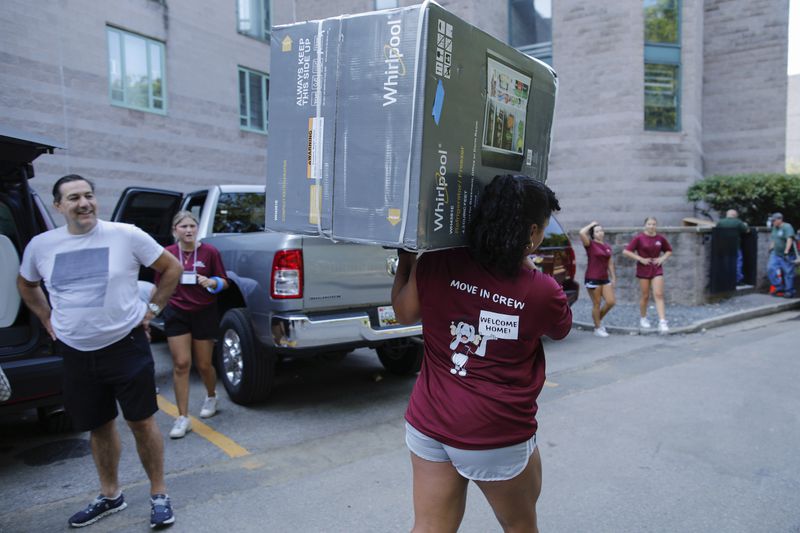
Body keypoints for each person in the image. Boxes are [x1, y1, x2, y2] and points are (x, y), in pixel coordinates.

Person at [391, 174, 572, 533]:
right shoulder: (541, 291)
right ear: (532, 232)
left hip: (430, 423)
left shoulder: (439, 262)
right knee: (520, 525)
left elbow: (404, 312)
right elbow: (561, 328)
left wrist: (407, 261)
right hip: (494, 433)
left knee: (429, 527)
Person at [16, 174, 182, 529]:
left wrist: (151, 311)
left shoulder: (126, 235)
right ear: (59, 206)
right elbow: (26, 283)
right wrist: (46, 317)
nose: (84, 203)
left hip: (126, 345)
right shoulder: (41, 246)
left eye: (89, 195)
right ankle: (110, 496)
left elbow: (171, 268)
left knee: (141, 421)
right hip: (76, 352)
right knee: (98, 426)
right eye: (73, 198)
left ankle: (159, 494)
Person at [156, 211, 228, 439]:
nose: (188, 230)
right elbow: (159, 285)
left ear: (197, 229)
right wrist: (151, 310)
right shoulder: (167, 254)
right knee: (181, 364)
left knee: (204, 364)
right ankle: (182, 417)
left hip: (204, 312)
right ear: (174, 230)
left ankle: (211, 395)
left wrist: (212, 282)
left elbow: (225, 282)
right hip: (176, 311)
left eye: (192, 226)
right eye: (183, 226)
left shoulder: (209, 252)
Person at [622, 217, 673, 334]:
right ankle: (643, 318)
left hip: (657, 268)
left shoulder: (660, 238)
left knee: (659, 294)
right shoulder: (639, 238)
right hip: (643, 269)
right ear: (645, 225)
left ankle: (662, 321)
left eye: (654, 224)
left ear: (656, 225)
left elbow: (669, 250)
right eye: (649, 224)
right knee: (645, 296)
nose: (651, 226)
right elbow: (626, 251)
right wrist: (640, 259)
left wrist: (662, 258)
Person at [578, 221, 616, 337]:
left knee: (611, 302)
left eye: (601, 230)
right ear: (593, 234)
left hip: (604, 279)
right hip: (592, 278)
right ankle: (598, 327)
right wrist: (591, 224)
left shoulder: (607, 247)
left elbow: (610, 264)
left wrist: (613, 277)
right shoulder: (590, 244)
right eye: (597, 231)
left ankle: (597, 319)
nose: (600, 233)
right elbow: (581, 233)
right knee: (597, 303)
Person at [716, 209, 749, 284]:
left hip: (723, 247)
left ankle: (725, 280)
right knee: (737, 263)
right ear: (735, 215)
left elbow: (716, 231)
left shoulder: (720, 222)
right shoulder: (738, 222)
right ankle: (738, 280)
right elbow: (747, 231)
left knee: (724, 263)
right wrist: (745, 225)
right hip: (735, 246)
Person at [767, 212, 796, 298]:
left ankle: (789, 291)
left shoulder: (787, 227)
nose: (773, 222)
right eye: (772, 221)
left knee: (788, 272)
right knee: (770, 268)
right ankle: (779, 287)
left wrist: (786, 251)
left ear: (780, 219)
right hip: (775, 253)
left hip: (787, 254)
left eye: (774, 220)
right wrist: (770, 248)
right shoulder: (775, 228)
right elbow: (773, 239)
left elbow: (789, 239)